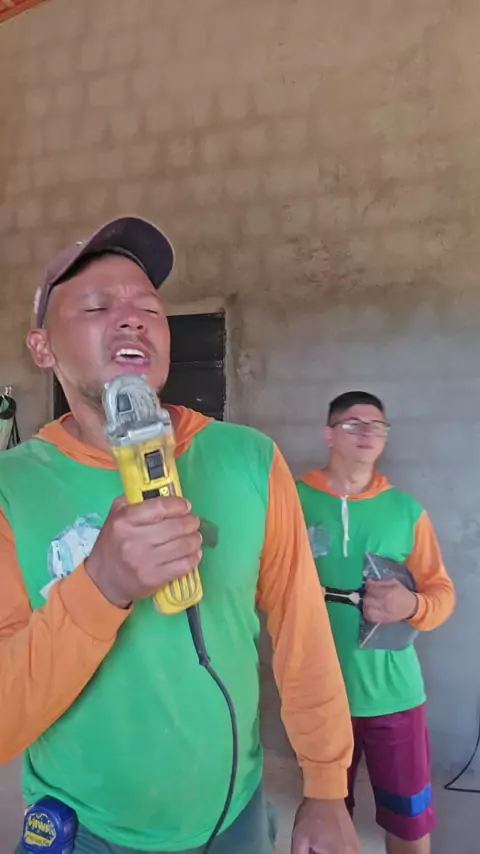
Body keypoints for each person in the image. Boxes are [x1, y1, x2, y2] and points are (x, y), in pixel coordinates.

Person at [0, 217, 360, 854]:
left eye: (149, 308)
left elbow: (303, 632)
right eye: (98, 306)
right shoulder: (10, 489)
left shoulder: (250, 459)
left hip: (235, 818)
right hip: (84, 832)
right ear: (42, 348)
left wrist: (327, 789)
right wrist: (101, 587)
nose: (132, 320)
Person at [297, 390, 456, 854]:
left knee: (409, 825)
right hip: (318, 696)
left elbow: (442, 594)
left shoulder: (407, 512)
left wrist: (412, 605)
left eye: (377, 426)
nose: (367, 433)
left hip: (395, 697)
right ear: (329, 434)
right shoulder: (292, 500)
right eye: (353, 423)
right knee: (324, 828)